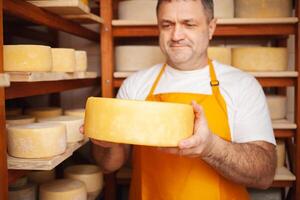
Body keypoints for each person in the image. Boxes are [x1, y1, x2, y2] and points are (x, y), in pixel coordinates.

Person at [91, 0, 277, 199]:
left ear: (211, 27)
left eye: (189, 24)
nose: (176, 36)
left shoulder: (242, 85)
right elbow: (109, 165)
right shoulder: (136, 85)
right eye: (167, 25)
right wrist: (107, 144)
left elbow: (264, 174)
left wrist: (211, 147)